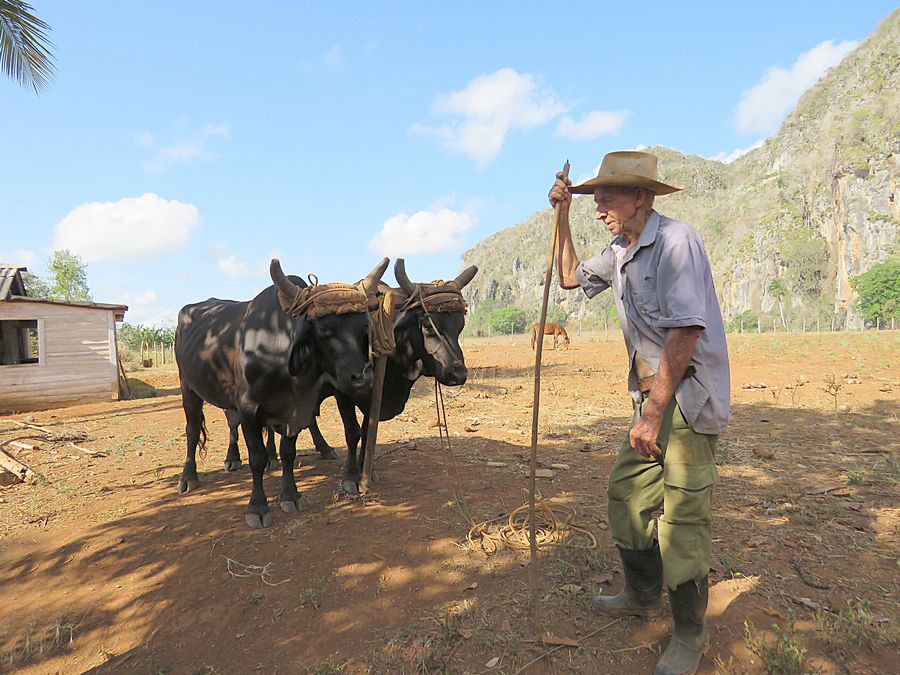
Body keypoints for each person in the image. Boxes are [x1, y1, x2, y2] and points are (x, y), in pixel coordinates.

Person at [548, 151, 730, 675]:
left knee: (684, 517)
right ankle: (642, 593)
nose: (598, 205)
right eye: (595, 197)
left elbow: (685, 331)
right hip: (650, 399)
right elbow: (567, 278)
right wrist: (561, 215)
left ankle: (690, 634)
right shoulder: (620, 250)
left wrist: (652, 413)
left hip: (685, 399)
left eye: (608, 196)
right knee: (626, 495)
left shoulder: (677, 242)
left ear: (642, 198)